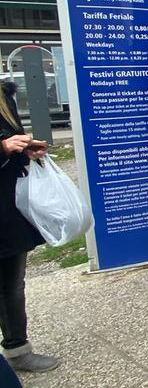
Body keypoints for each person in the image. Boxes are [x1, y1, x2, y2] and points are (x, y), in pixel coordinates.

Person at [0, 81, 58, 373]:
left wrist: (25, 150)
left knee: (11, 282)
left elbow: (11, 139)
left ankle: (17, 348)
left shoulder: (3, 96)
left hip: (8, 205)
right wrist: (3, 147)